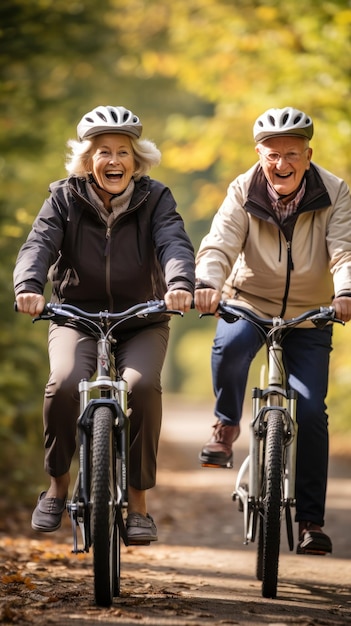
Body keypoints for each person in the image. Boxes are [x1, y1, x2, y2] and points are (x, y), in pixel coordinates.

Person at [14, 105, 195, 544]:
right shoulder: (63, 197)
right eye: (102, 152)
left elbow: (173, 240)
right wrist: (29, 285)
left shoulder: (156, 198)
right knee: (63, 381)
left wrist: (180, 283)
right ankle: (56, 486)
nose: (114, 160)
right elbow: (39, 243)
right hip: (76, 315)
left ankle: (138, 504)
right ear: (86, 160)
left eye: (123, 152)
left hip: (143, 316)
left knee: (141, 387)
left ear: (137, 160)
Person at [194, 106, 351, 555]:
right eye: (272, 154)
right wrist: (207, 285)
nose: (281, 164)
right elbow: (220, 243)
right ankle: (225, 426)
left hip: (311, 311)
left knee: (311, 409)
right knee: (231, 347)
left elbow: (344, 249)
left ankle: (310, 522)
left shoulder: (336, 192)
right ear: (258, 154)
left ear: (308, 154)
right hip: (249, 301)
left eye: (292, 154)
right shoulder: (243, 189)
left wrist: (346, 292)